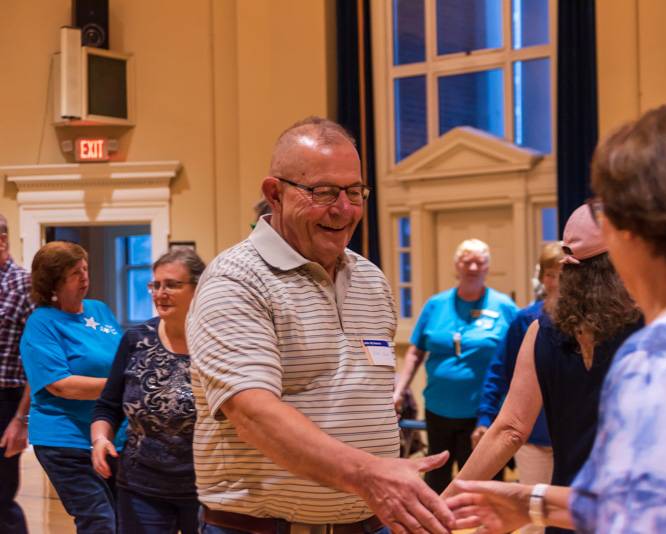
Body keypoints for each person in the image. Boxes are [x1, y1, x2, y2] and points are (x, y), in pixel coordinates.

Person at [446, 103, 666, 532]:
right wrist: (527, 501)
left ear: (633, 230)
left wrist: (526, 501)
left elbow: (637, 520)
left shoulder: (659, 358)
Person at [187, 116, 455, 534]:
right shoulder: (236, 280)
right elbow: (252, 413)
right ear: (274, 194)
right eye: (323, 192)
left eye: (354, 192)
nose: (344, 209)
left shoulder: (369, 278)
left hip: (371, 521)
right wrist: (369, 474)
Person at [447, 205, 641, 534]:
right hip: (631, 513)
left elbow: (509, 429)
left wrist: (446, 501)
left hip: (562, 513)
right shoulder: (653, 325)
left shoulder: (543, 328)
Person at [91, 249, 205, 533]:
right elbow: (107, 406)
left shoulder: (217, 343)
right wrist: (100, 439)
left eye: (172, 285)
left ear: (198, 288)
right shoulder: (135, 339)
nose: (160, 293)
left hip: (206, 488)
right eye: (156, 285)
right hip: (140, 485)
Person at [393, 239, 519, 494]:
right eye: (466, 261)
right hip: (439, 409)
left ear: (487, 268)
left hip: (484, 413)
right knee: (437, 479)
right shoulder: (436, 305)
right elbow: (416, 352)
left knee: (483, 485)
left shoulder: (503, 306)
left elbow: (522, 353)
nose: (472, 267)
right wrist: (399, 391)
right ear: (456, 266)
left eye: (479, 262)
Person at [20, 241, 125, 534]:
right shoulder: (42, 323)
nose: (85, 277)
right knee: (99, 520)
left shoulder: (99, 310)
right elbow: (61, 386)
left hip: (112, 435)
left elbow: (120, 359)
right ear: (54, 280)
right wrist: (122, 385)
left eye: (85, 269)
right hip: (64, 439)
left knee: (124, 519)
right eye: (75, 273)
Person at [471, 242, 563, 534]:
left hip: (566, 437)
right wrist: (486, 417)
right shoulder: (526, 319)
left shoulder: (590, 321)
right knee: (532, 514)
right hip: (533, 436)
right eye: (550, 273)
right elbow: (499, 371)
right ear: (542, 277)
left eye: (563, 273)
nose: (557, 280)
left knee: (560, 515)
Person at [0, 214, 35, 534]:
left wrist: (20, 420)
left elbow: (36, 360)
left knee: (1, 499)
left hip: (6, 400)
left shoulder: (24, 284)